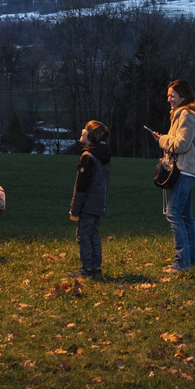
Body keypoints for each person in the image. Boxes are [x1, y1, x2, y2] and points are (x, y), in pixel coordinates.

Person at [149, 80, 195, 272]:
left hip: (185, 171)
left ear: (183, 96)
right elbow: (179, 141)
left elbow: (181, 145)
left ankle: (181, 263)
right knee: (185, 216)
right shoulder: (182, 116)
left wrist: (162, 140)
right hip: (186, 170)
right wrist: (163, 138)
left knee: (173, 214)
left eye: (172, 95)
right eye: (168, 95)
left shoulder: (187, 115)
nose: (168, 99)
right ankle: (191, 262)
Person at [69, 120, 111, 280]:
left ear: (91, 135)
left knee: (83, 236)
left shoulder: (88, 157)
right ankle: (96, 268)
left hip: (88, 205)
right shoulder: (103, 155)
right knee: (93, 234)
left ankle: (86, 270)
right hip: (99, 203)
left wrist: (75, 208)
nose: (82, 130)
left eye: (85, 129)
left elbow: (81, 187)